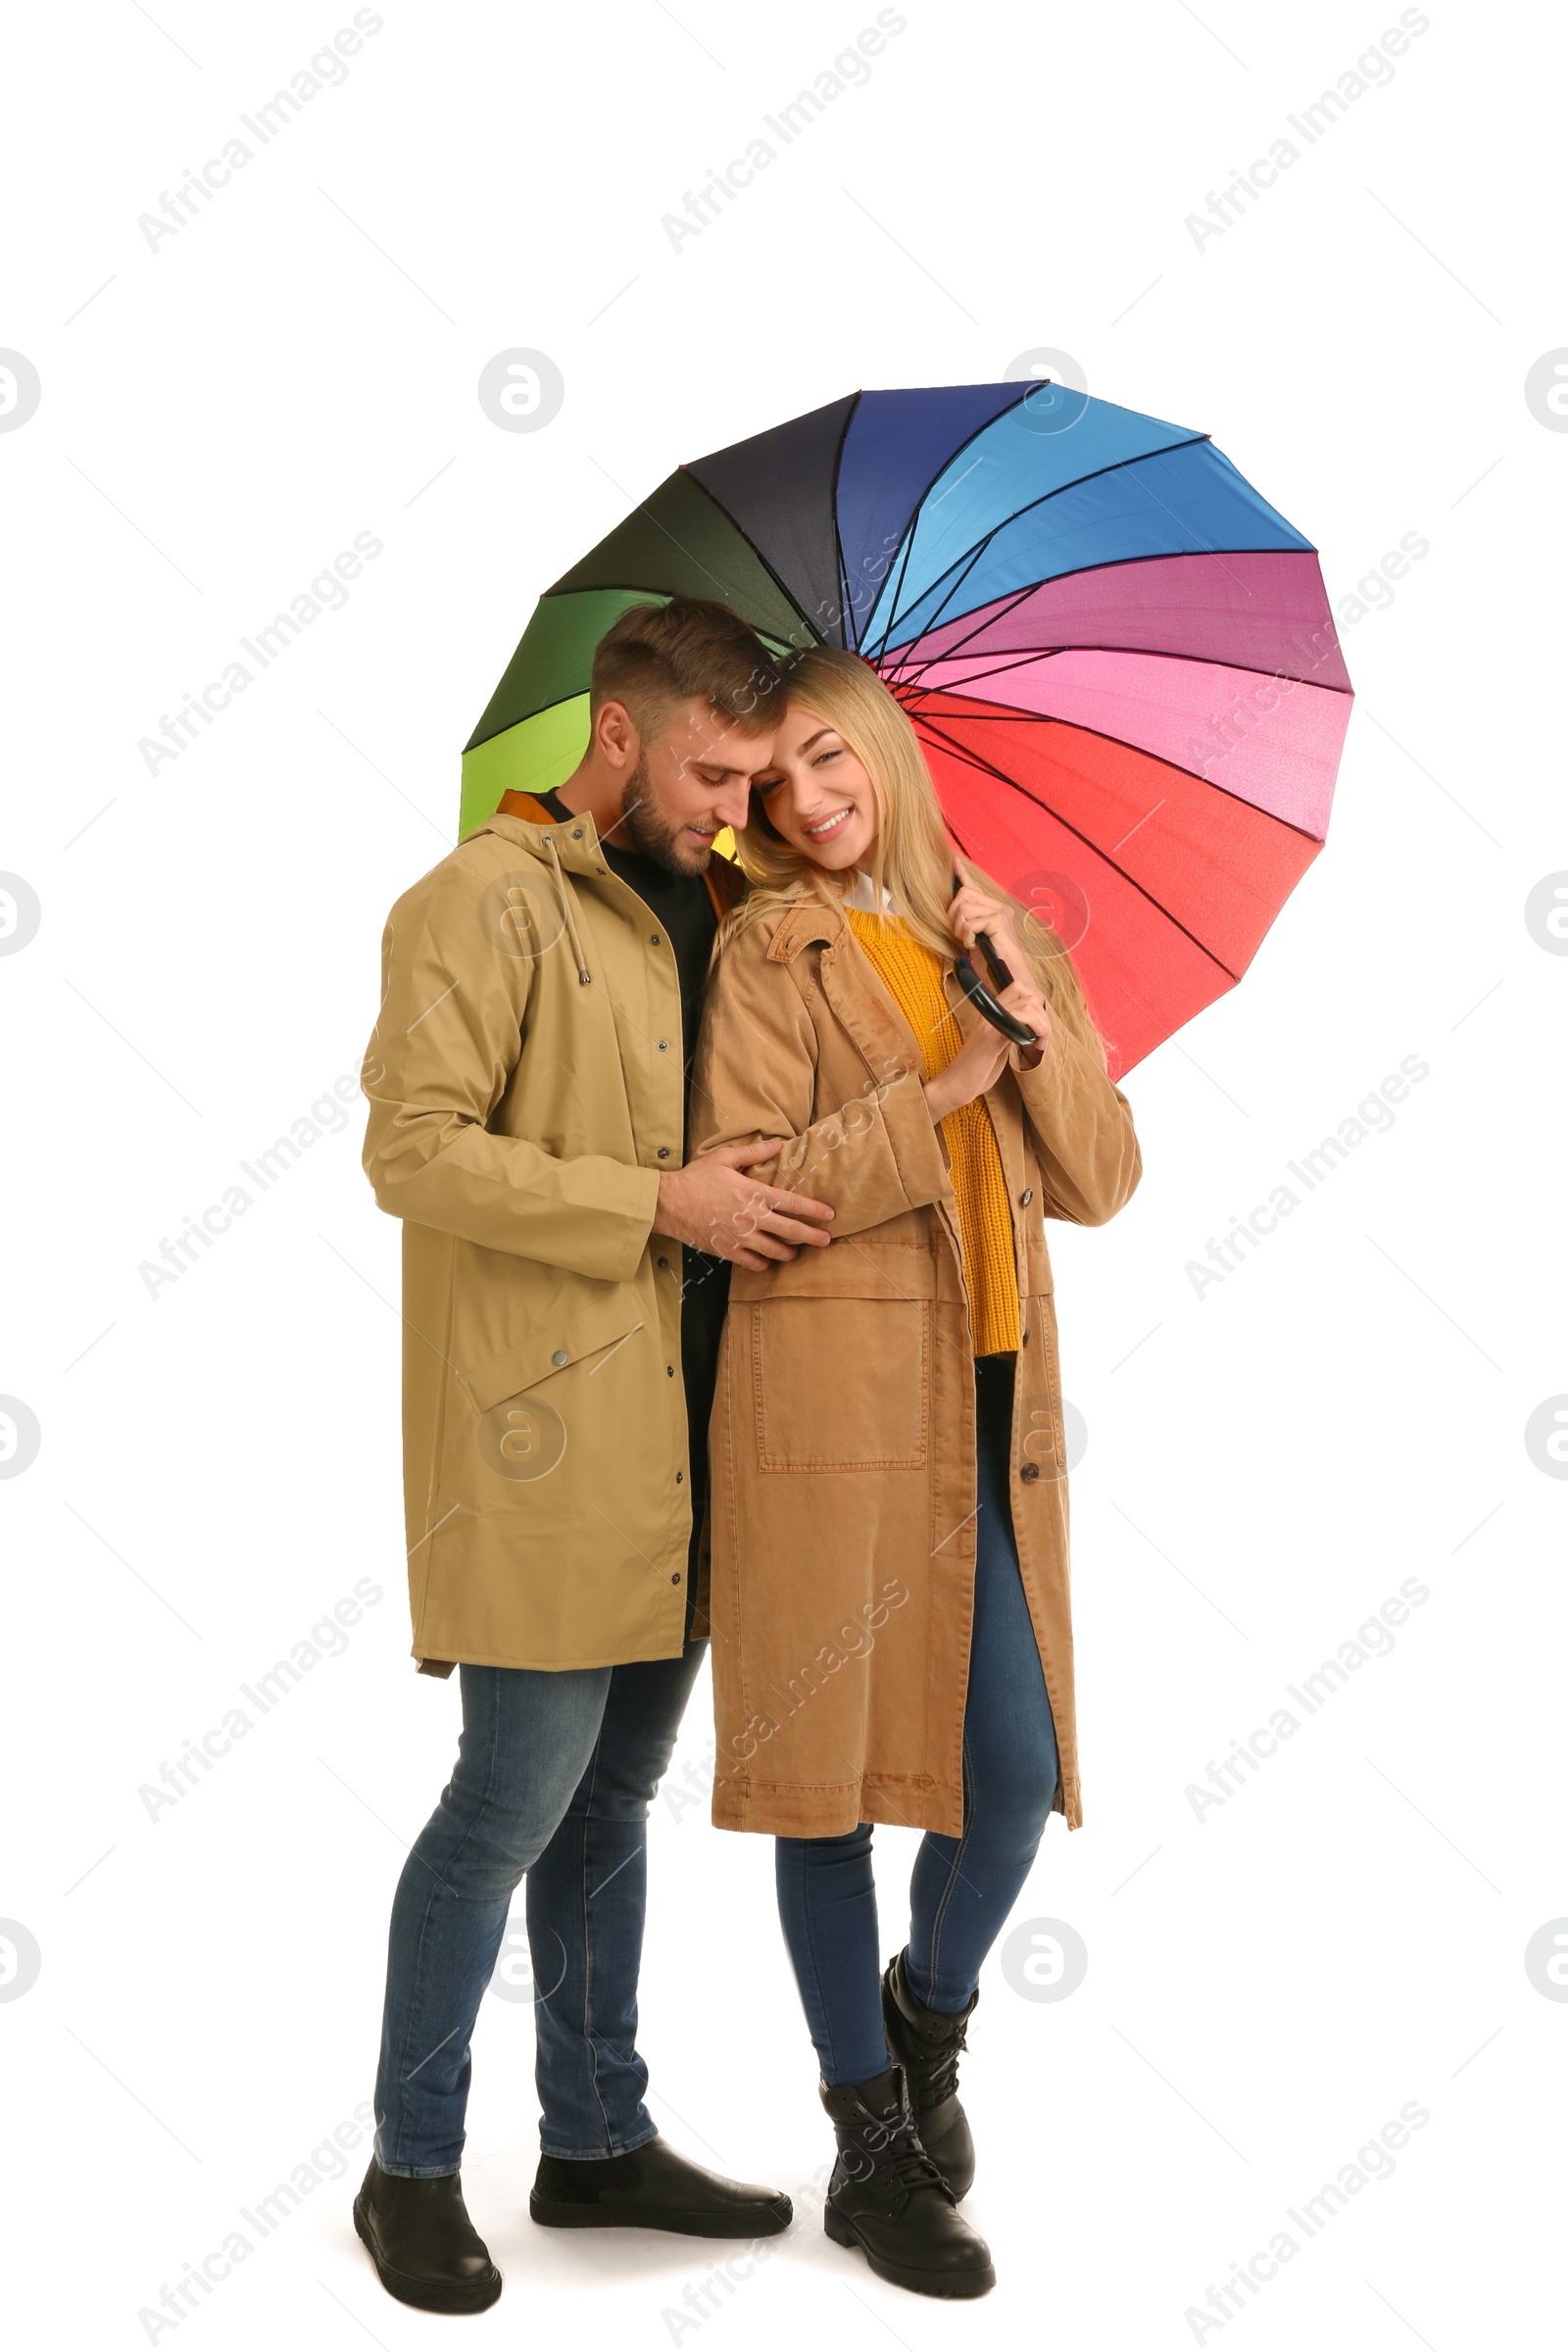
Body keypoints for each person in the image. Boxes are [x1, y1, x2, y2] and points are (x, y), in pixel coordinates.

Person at [352, 598, 839, 2314]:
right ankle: (408, 2171)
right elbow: (413, 1154)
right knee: (507, 1802)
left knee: (613, 1806)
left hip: (699, 1432)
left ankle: (593, 2137)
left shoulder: (725, 908)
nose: (735, 807)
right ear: (614, 735)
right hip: (549, 1434)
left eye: (755, 776)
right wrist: (659, 1201)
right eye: (714, 772)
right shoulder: (475, 904)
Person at [688, 646, 1143, 2299]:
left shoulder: (992, 924)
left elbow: (1103, 1179)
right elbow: (752, 1191)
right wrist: (936, 1083)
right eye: (776, 780)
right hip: (831, 1400)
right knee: (830, 1789)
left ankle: (924, 2013)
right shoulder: (762, 952)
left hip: (994, 1395)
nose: (809, 802)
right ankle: (869, 2150)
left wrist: (1023, 1018)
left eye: (830, 760)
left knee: (1009, 1774)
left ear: (881, 747)